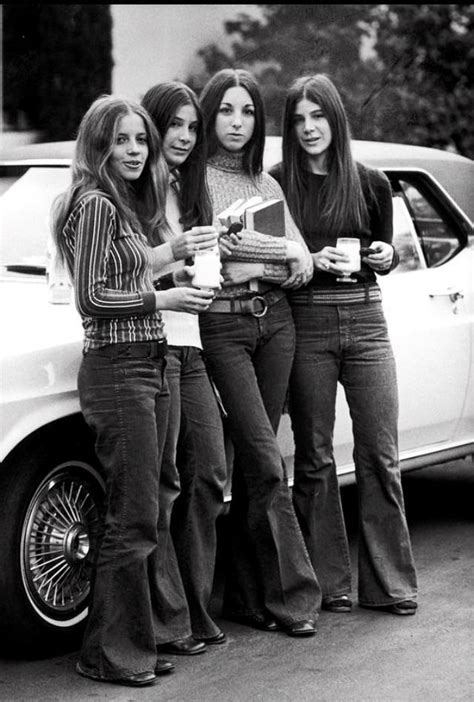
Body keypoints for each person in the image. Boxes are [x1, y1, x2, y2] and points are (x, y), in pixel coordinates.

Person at [51, 95, 216, 686]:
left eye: (140, 140)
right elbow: (94, 298)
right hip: (119, 368)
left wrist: (173, 251)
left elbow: (126, 268)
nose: (135, 151)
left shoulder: (116, 204)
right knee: (133, 515)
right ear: (98, 145)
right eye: (122, 140)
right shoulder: (94, 203)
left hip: (146, 361)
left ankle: (133, 644)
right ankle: (108, 654)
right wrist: (164, 297)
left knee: (142, 511)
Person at [271, 73, 418, 616]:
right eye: (299, 120)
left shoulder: (371, 181)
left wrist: (386, 256)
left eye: (318, 116)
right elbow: (269, 261)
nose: (310, 128)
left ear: (336, 119)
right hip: (306, 321)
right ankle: (330, 584)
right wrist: (307, 264)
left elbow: (388, 250)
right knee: (313, 457)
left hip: (366, 318)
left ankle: (391, 585)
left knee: (380, 453)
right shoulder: (276, 183)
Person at [198, 68, 322, 637]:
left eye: (247, 112)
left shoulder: (267, 185)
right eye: (226, 110)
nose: (237, 122)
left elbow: (305, 265)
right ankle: (295, 599)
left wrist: (264, 260)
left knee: (257, 469)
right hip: (224, 331)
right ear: (210, 115)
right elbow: (220, 248)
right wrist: (280, 253)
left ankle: (247, 598)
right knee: (268, 461)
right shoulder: (194, 180)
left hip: (277, 326)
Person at [141, 80, 228, 645]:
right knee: (163, 486)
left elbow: (207, 267)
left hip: (191, 343)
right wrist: (173, 269)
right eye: (174, 124)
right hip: (154, 342)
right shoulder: (133, 192)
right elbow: (119, 273)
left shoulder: (190, 192)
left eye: (193, 127)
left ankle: (194, 606)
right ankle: (168, 619)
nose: (185, 136)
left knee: (211, 474)